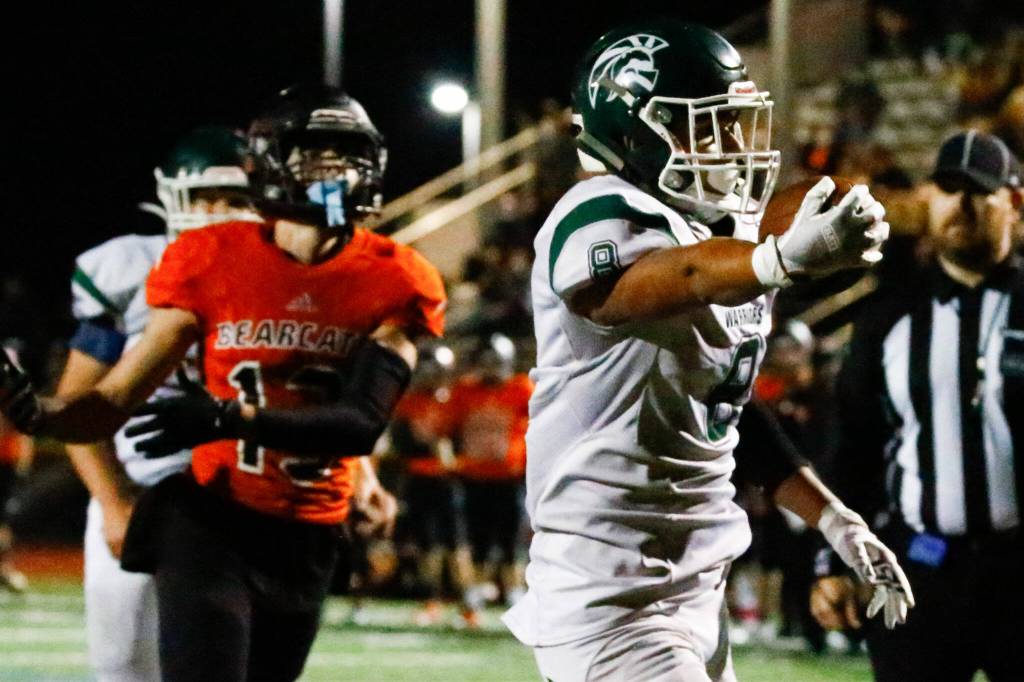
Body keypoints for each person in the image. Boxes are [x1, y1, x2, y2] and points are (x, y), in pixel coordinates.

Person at [500, 20, 911, 682]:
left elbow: (727, 413)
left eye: (731, 123)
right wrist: (774, 261)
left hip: (697, 587)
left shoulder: (723, 235)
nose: (731, 145)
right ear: (634, 133)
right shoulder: (598, 209)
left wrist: (836, 521)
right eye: (706, 127)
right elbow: (681, 275)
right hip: (610, 592)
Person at [0, 84, 444, 682]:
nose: (335, 171)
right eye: (316, 154)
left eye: (347, 155)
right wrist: (39, 413)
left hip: (308, 527)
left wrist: (228, 418)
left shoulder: (396, 275)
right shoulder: (212, 256)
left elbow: (359, 423)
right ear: (267, 163)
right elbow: (112, 399)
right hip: (211, 517)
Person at [811, 130, 1024, 682]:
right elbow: (852, 442)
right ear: (928, 198)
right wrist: (832, 558)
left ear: (1014, 202)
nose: (961, 206)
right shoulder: (889, 315)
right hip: (922, 571)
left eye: (978, 191)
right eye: (948, 190)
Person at [54, 124, 261, 681]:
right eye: (205, 197)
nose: (219, 213)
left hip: (248, 501)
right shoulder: (128, 268)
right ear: (171, 197)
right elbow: (78, 403)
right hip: (146, 490)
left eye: (236, 199)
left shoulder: (282, 278)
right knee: (124, 667)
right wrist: (114, 500)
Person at [449, 333, 533, 618]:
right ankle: (475, 592)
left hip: (510, 477)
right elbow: (448, 428)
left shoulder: (522, 388)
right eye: (485, 361)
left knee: (512, 538)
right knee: (477, 538)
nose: (490, 367)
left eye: (494, 361)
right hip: (474, 476)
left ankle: (514, 590)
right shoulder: (464, 390)